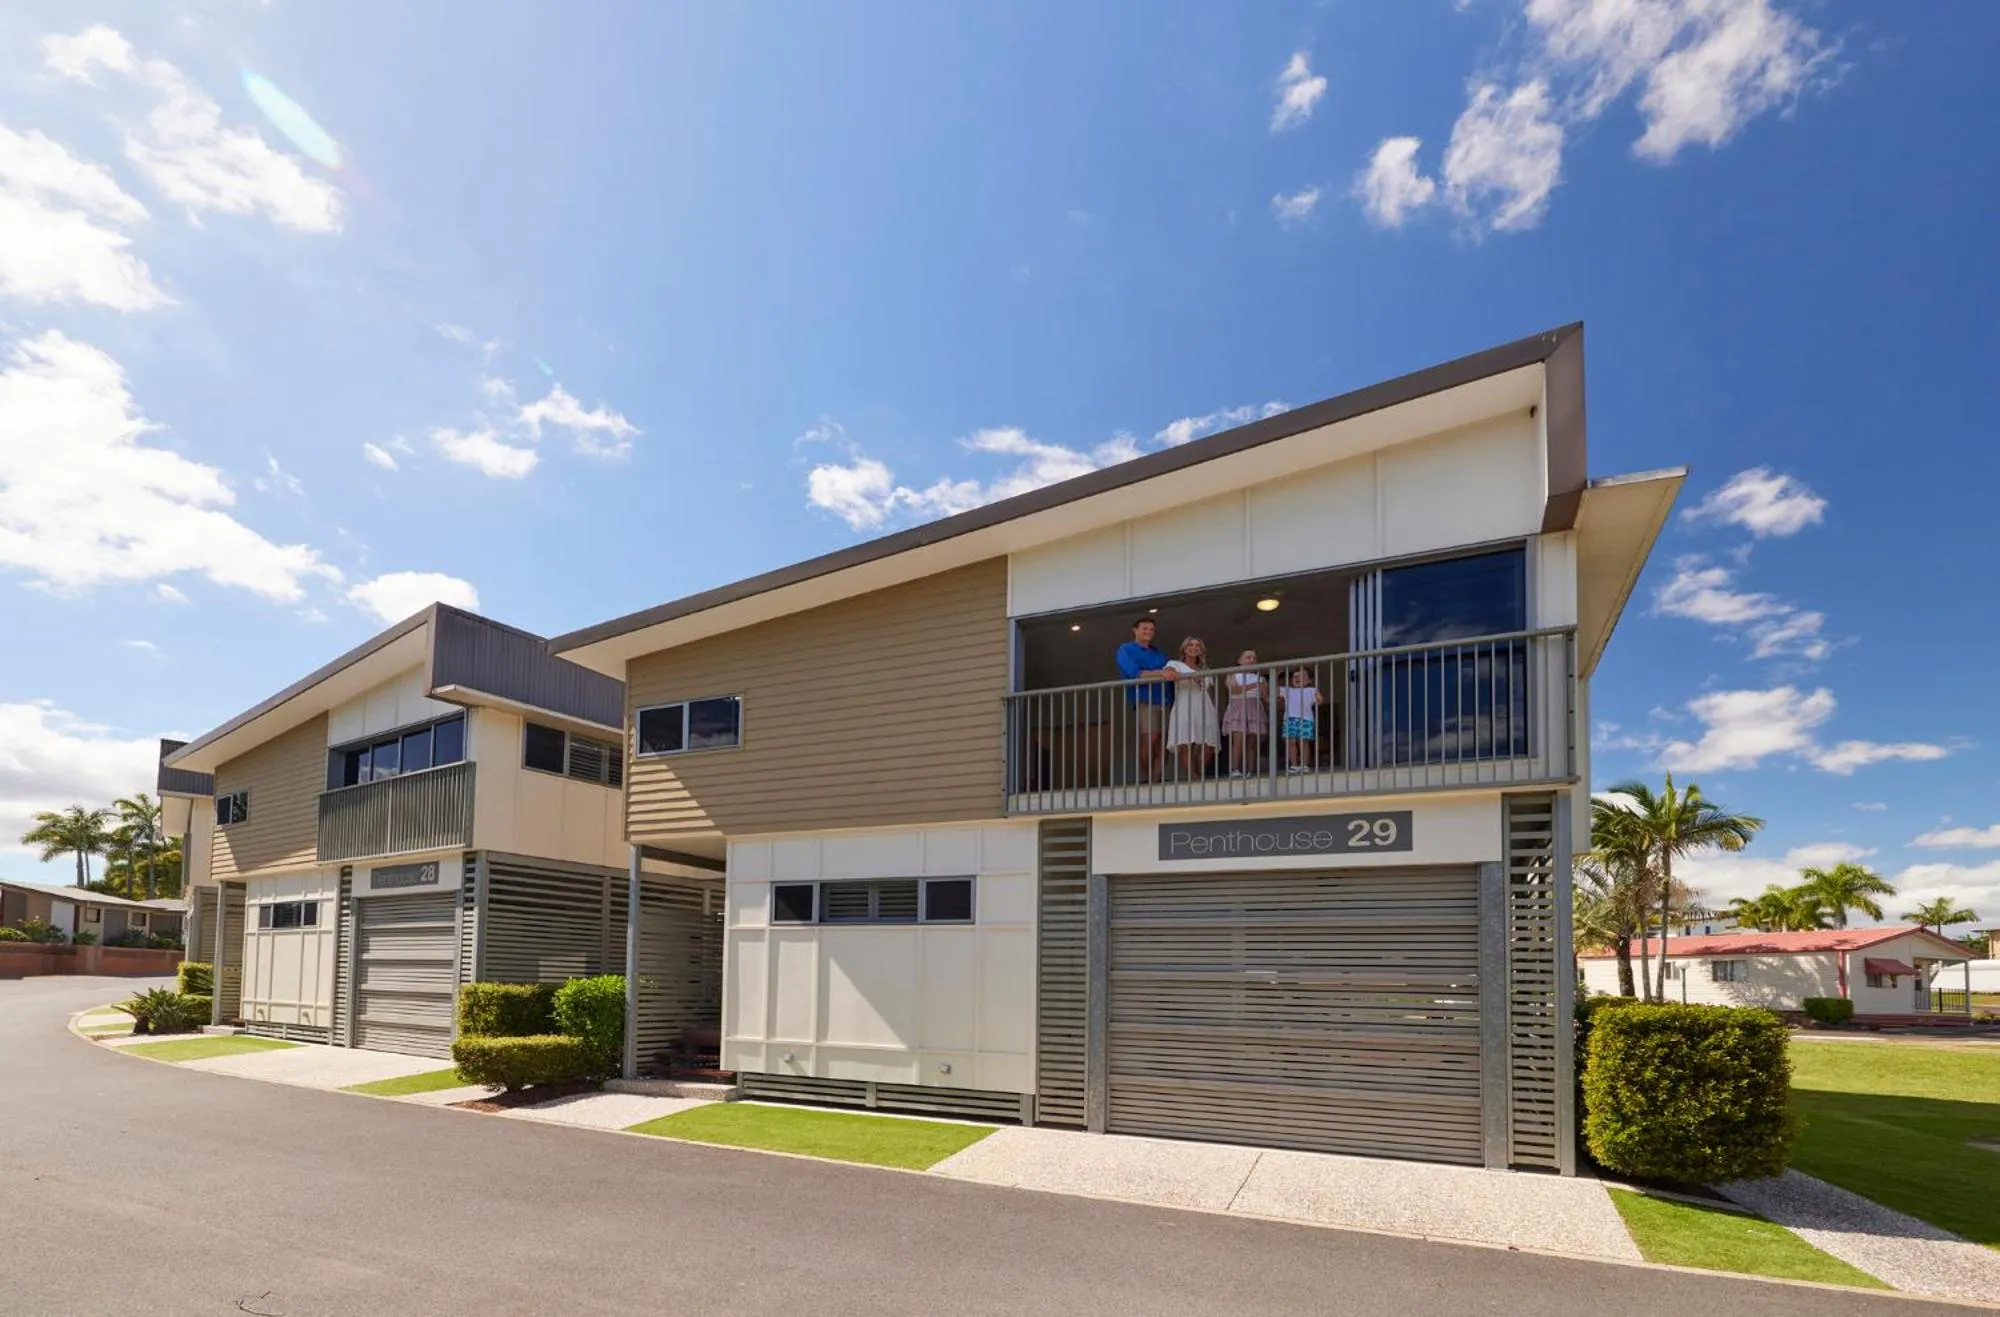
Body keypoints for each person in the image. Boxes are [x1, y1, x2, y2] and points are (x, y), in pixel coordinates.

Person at [1115, 617, 1173, 782]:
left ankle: (1157, 777)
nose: (1148, 632)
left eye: (1151, 629)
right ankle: (1148, 778)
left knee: (1163, 742)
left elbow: (1170, 673)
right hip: (1145, 700)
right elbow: (1134, 673)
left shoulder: (1159, 653)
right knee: (1150, 738)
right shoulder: (1126, 649)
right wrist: (1161, 673)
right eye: (1145, 628)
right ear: (1135, 630)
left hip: (1166, 700)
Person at [1163, 636, 1220, 780]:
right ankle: (1193, 776)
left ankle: (1199, 773)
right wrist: (1189, 676)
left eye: (1197, 646)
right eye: (1190, 645)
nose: (1194, 648)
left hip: (1204, 706)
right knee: (1186, 741)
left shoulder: (1205, 669)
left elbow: (1209, 690)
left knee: (1208, 743)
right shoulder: (1175, 664)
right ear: (1184, 648)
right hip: (1184, 704)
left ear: (1201, 650)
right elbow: (1169, 673)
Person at [1220, 648, 1266, 778]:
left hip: (1254, 707)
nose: (1252, 660)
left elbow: (1265, 696)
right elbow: (1234, 689)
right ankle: (1235, 769)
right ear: (1239, 660)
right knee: (1238, 740)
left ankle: (1251, 770)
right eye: (1248, 657)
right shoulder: (1232, 674)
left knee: (1252, 742)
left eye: (1254, 658)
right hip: (1238, 708)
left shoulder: (1260, 677)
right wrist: (1255, 685)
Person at [1282, 666, 1324, 774]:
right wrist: (1276, 675)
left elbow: (1319, 701)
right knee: (1291, 742)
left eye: (1301, 676)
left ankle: (1304, 765)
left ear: (1309, 680)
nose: (1297, 678)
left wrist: (1319, 698)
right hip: (1290, 719)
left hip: (1305, 719)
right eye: (1295, 676)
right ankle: (1294, 765)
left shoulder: (1312, 690)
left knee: (1303, 742)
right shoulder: (1288, 690)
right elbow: (1276, 690)